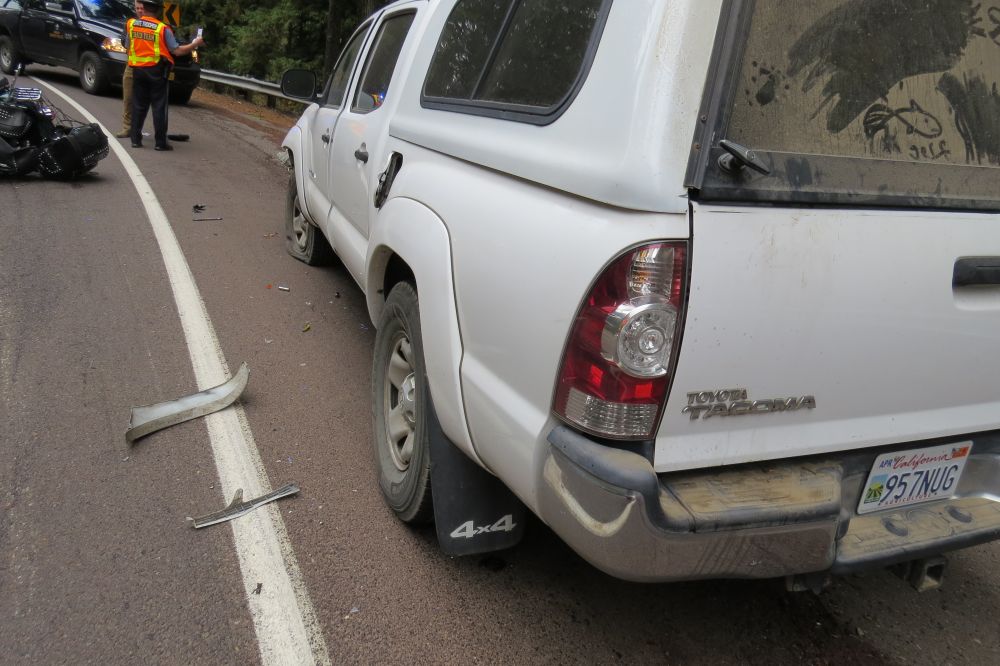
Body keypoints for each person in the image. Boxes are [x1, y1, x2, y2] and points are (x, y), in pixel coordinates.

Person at [124, 0, 203, 151]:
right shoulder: (162, 29)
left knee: (138, 106)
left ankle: (135, 139)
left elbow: (128, 47)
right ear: (158, 11)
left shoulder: (132, 24)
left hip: (138, 71)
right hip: (156, 71)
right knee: (159, 107)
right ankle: (160, 143)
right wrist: (195, 44)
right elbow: (177, 51)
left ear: (144, 9)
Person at [114, 0, 145, 139]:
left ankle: (137, 128)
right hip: (131, 65)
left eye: (142, 8)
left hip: (148, 68)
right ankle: (127, 128)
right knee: (128, 98)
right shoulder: (130, 23)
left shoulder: (154, 26)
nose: (139, 10)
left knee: (142, 100)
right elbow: (123, 40)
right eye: (137, 8)